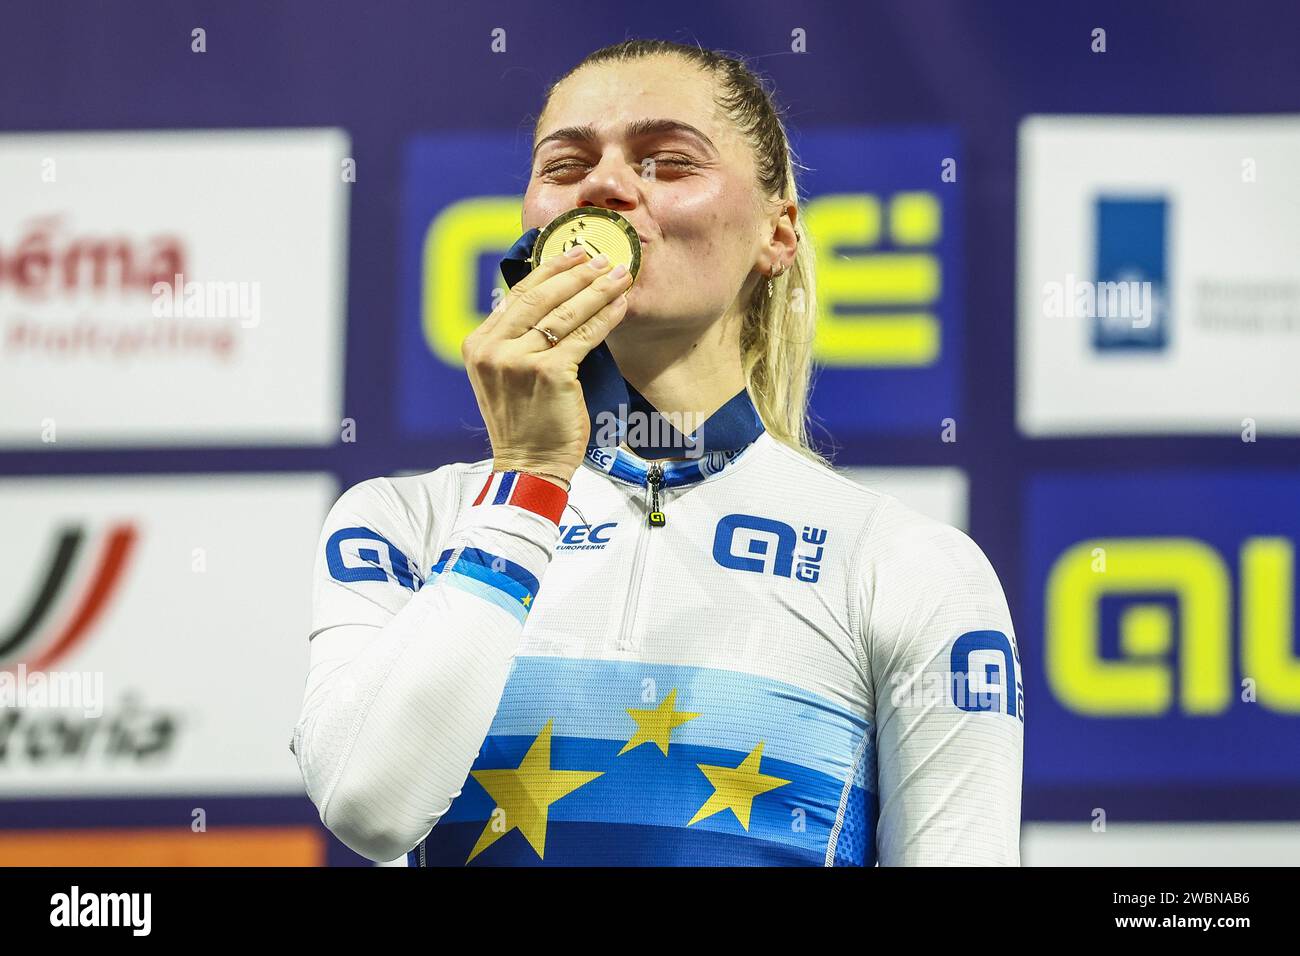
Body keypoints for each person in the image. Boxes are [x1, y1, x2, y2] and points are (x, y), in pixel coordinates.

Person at [292, 39, 1023, 866]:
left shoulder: (902, 564)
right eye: (566, 166)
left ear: (777, 233)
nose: (604, 186)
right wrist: (528, 480)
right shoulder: (406, 522)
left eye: (668, 161)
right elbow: (371, 809)